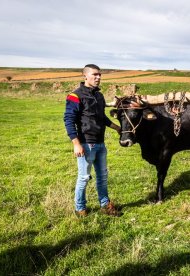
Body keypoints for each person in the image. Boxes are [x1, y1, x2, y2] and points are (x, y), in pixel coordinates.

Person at [64, 64, 121, 217]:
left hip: (100, 143)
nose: (98, 77)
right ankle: (80, 209)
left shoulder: (99, 96)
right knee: (84, 178)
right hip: (85, 143)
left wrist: (116, 127)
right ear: (85, 76)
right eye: (95, 75)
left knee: (103, 176)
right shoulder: (75, 95)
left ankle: (105, 205)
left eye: (100, 75)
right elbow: (69, 119)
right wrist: (76, 143)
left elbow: (101, 117)